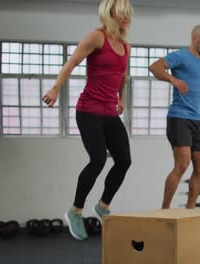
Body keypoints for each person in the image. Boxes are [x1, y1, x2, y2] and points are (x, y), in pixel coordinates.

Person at [42, 0, 133, 240]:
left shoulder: (126, 46)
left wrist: (121, 97)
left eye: (128, 14)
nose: (125, 18)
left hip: (109, 112)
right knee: (98, 159)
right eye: (121, 13)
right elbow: (71, 63)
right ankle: (75, 211)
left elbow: (123, 74)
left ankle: (102, 206)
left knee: (124, 160)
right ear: (109, 14)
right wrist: (55, 89)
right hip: (89, 109)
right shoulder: (96, 37)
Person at [149, 25, 200, 209]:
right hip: (179, 117)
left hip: (196, 121)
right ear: (195, 38)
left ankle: (189, 210)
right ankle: (165, 210)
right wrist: (173, 79)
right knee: (182, 164)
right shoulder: (181, 56)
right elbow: (155, 67)